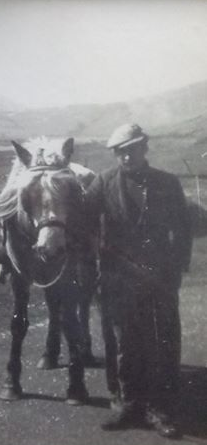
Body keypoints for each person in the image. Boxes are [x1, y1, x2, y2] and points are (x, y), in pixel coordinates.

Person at [85, 123, 192, 438]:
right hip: (118, 280)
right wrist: (97, 252)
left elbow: (183, 230)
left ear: (144, 148)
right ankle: (128, 405)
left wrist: (175, 270)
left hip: (159, 279)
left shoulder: (167, 183)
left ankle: (159, 409)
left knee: (161, 343)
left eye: (131, 149)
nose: (125, 157)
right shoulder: (103, 183)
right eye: (120, 152)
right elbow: (84, 222)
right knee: (124, 345)